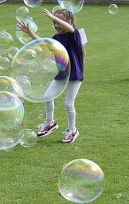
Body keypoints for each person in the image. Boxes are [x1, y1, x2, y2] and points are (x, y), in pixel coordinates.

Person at [17, 8, 85, 144]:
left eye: (58, 21)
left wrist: (51, 17)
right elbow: (43, 43)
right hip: (62, 73)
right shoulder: (57, 38)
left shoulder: (74, 34)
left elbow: (69, 28)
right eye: (54, 22)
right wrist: (30, 32)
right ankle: (50, 123)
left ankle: (72, 130)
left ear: (69, 22)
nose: (55, 24)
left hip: (75, 74)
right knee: (48, 96)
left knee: (68, 104)